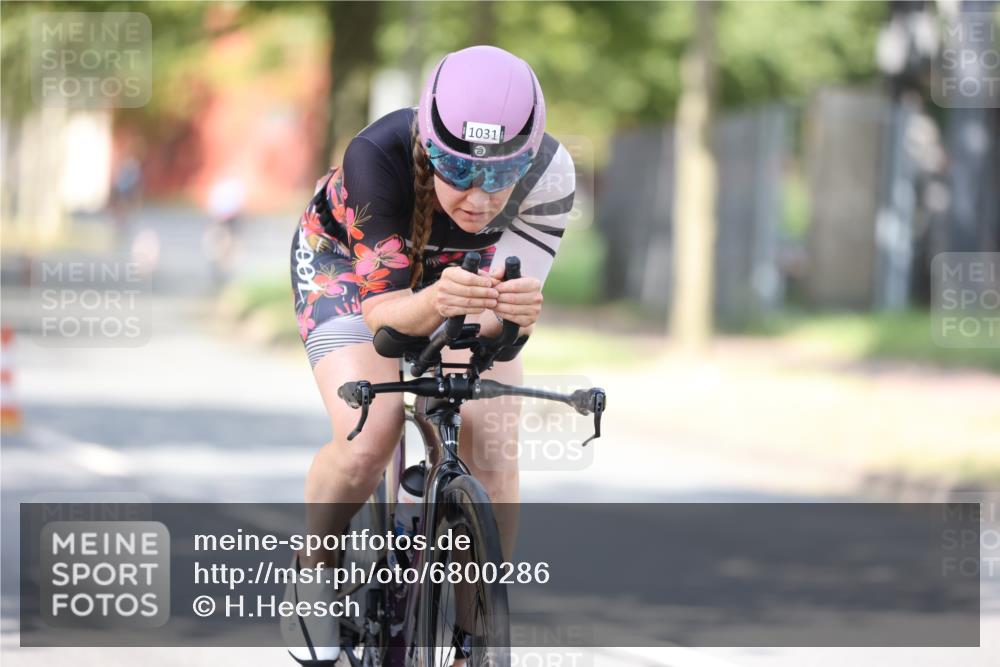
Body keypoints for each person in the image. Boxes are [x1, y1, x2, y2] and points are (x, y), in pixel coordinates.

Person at [284, 45, 576, 665]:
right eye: (457, 170)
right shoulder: (376, 156)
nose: (479, 197)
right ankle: (314, 565)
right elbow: (386, 321)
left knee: (490, 443)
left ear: (528, 157)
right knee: (372, 432)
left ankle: (476, 635)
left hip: (461, 282)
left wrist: (512, 321)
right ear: (427, 143)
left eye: (501, 175)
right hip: (347, 268)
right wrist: (436, 302)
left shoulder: (551, 173)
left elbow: (502, 325)